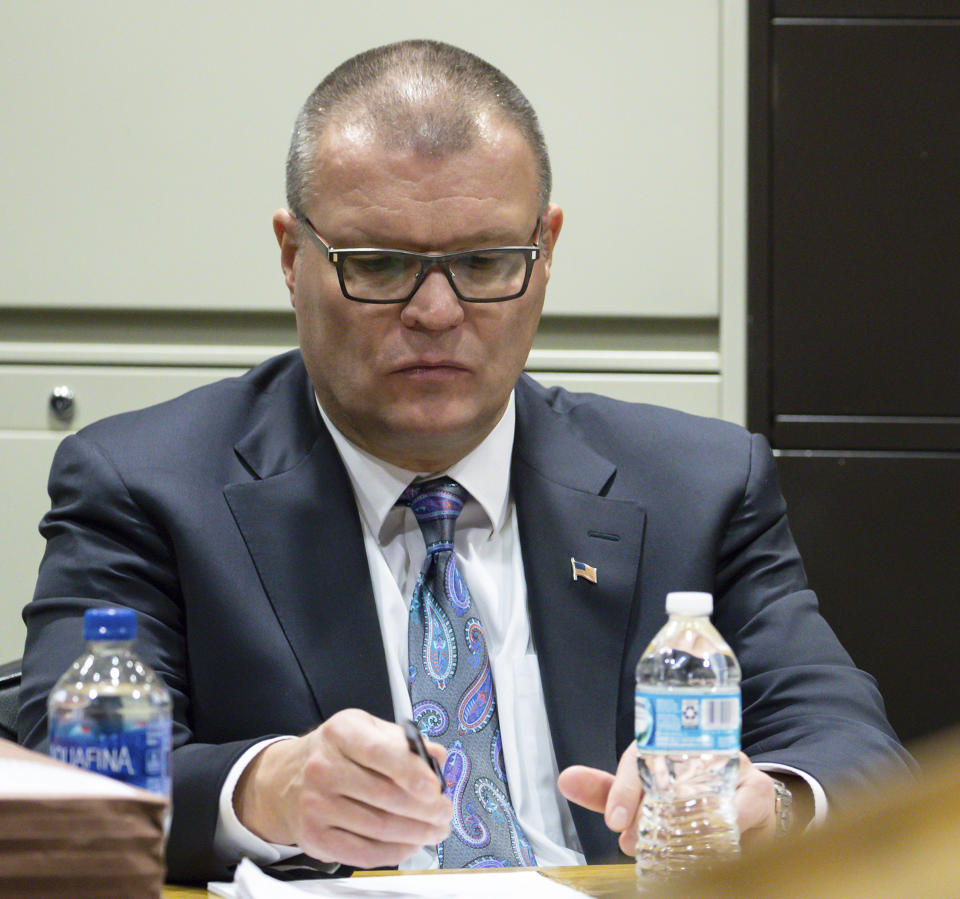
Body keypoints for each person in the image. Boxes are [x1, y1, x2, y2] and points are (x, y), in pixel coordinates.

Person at [17, 40, 913, 883]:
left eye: (486, 262)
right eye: (378, 265)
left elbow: (848, 737)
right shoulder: (143, 482)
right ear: (293, 257)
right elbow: (65, 776)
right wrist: (269, 789)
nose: (437, 311)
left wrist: (772, 802)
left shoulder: (698, 483)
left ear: (547, 250)